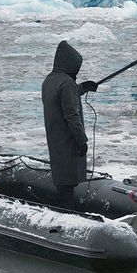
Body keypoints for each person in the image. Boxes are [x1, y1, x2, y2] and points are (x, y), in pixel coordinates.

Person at [42, 40, 98, 210]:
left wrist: (81, 88)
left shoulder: (50, 80)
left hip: (55, 141)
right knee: (67, 188)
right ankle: (66, 218)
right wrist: (82, 141)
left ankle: (63, 211)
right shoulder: (66, 84)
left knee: (63, 184)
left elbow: (60, 98)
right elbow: (71, 116)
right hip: (67, 143)